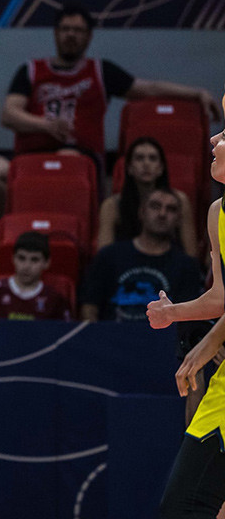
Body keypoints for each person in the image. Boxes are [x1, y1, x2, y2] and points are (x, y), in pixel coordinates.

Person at [0, 4, 221, 215]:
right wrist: (46, 125)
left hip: (80, 160)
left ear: (89, 36)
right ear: (55, 33)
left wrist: (196, 93)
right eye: (65, 29)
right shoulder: (31, 71)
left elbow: (149, 88)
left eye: (78, 30)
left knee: (66, 158)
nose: (70, 35)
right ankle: (22, 224)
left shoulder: (100, 71)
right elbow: (9, 114)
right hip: (30, 160)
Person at [146, 122, 225, 518]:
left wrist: (209, 342)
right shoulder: (216, 213)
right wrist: (172, 312)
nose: (214, 139)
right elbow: (221, 297)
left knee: (187, 505)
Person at [81, 188, 203, 322]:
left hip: (164, 334)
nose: (162, 214)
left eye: (171, 209)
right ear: (141, 212)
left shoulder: (187, 266)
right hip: (111, 333)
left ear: (178, 219)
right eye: (155, 206)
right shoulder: (109, 256)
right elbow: (89, 307)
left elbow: (187, 319)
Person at [98, 137, 197, 253]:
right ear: (129, 168)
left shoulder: (179, 200)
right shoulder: (111, 205)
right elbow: (103, 254)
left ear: (161, 168)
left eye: (152, 158)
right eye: (139, 158)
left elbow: (191, 253)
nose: (146, 164)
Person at [0, 232, 72, 320]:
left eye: (34, 260)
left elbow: (65, 332)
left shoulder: (55, 299)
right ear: (13, 258)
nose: (26, 266)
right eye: (21, 258)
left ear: (47, 263)